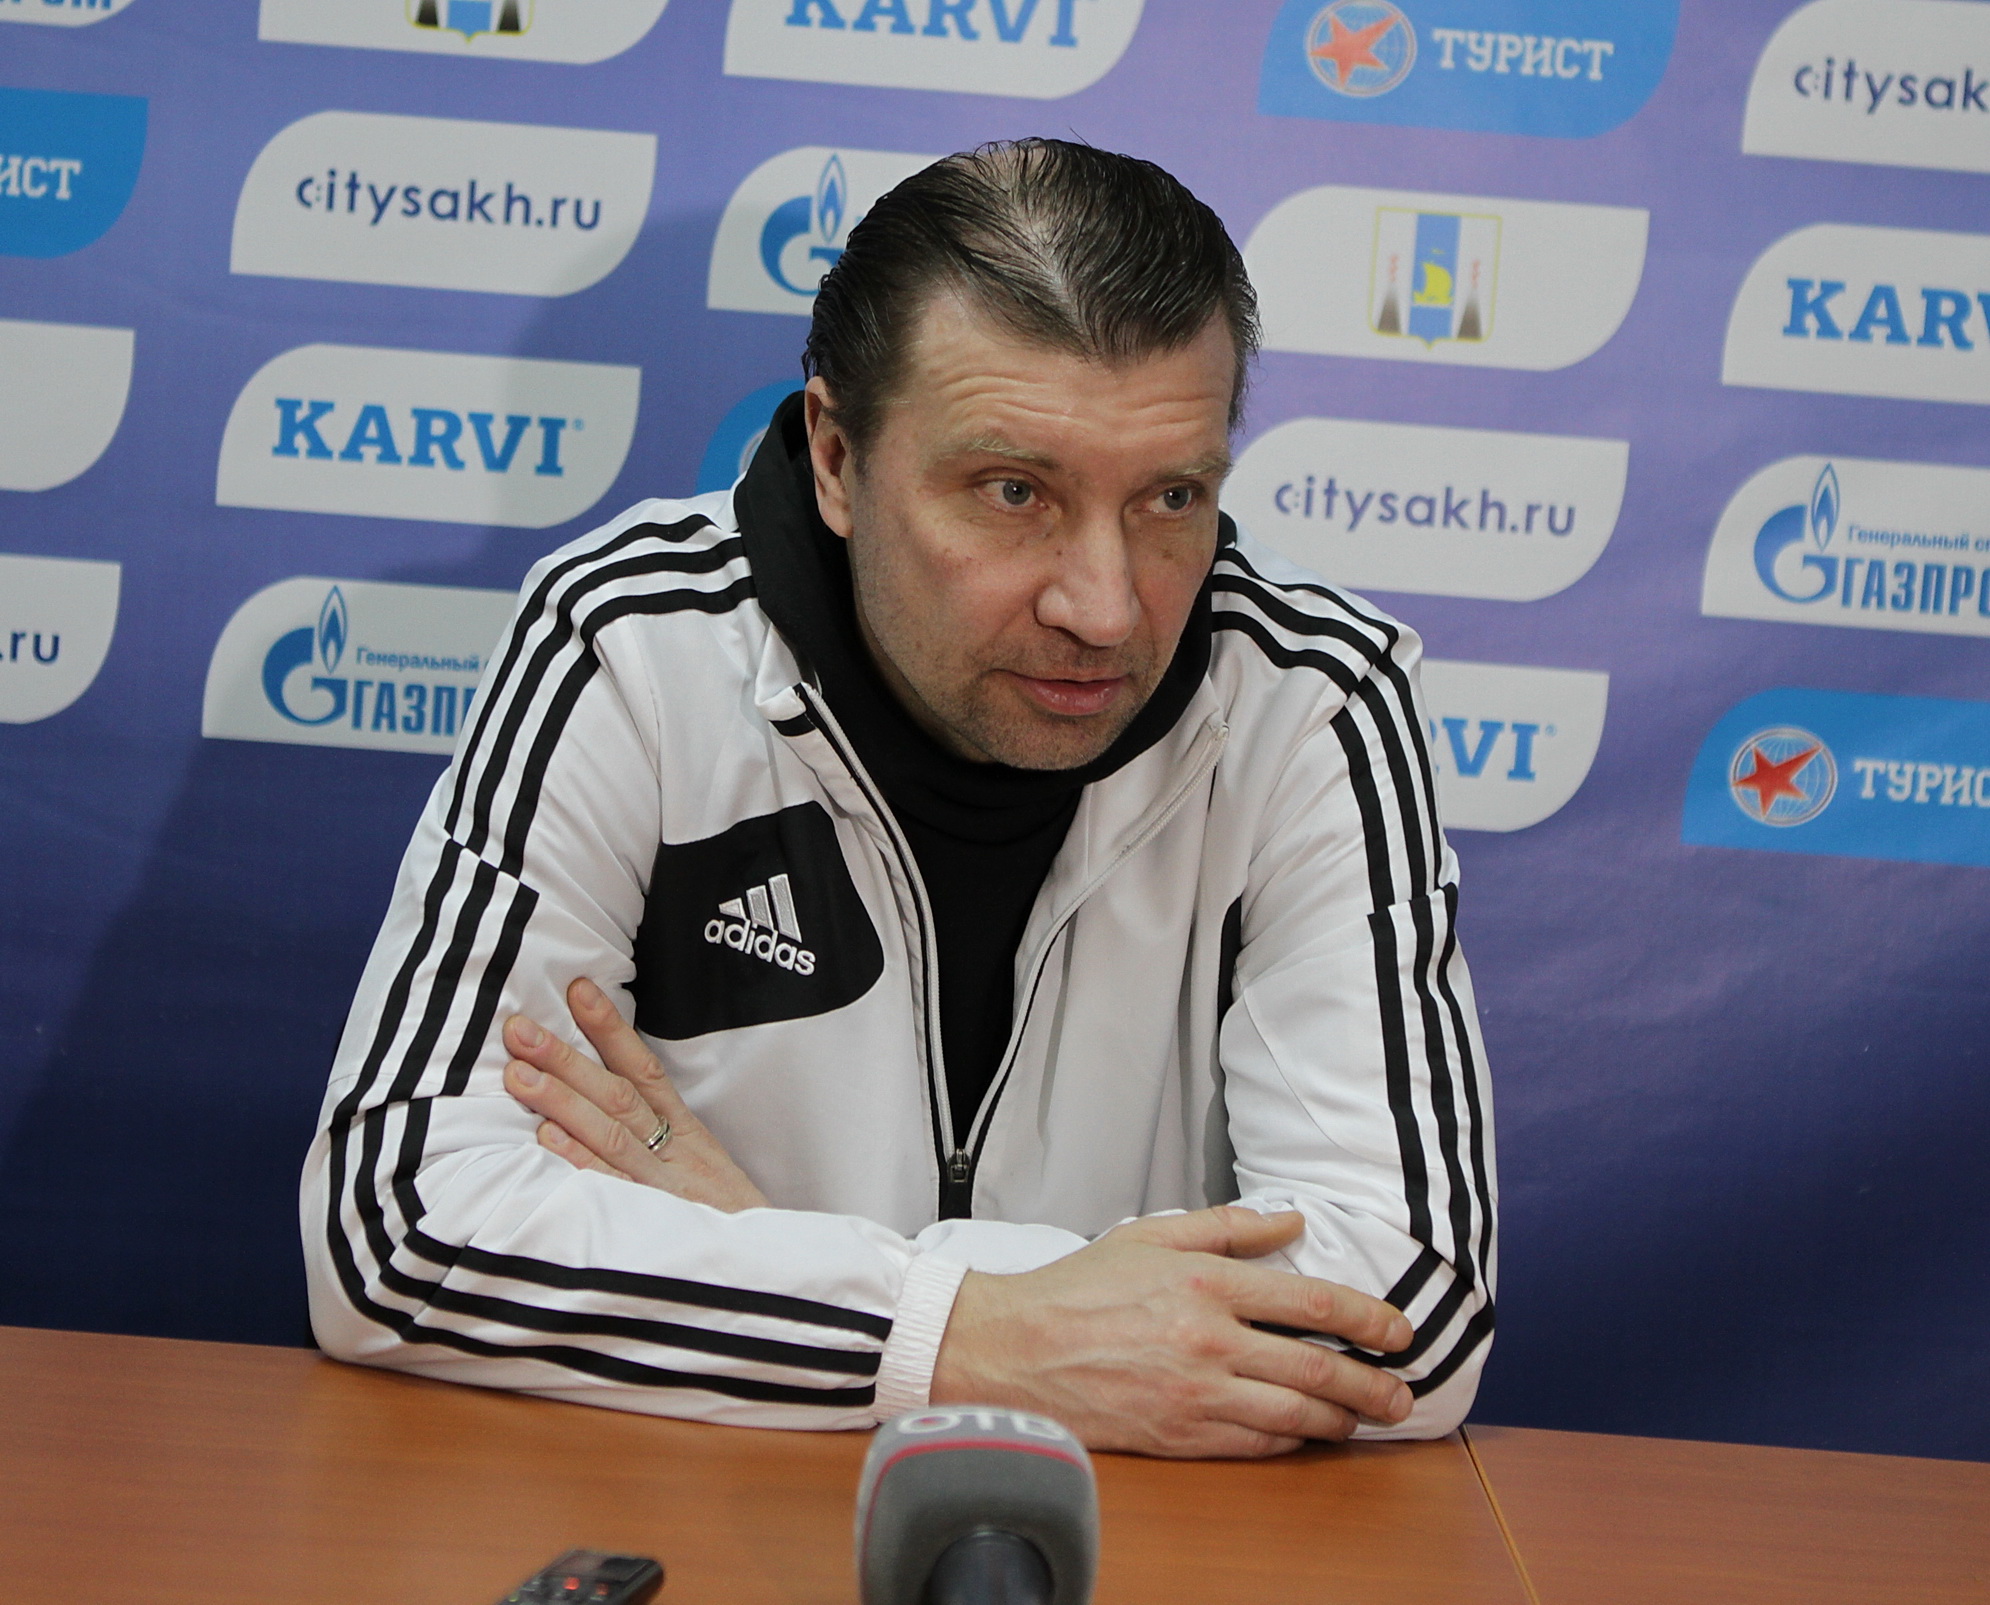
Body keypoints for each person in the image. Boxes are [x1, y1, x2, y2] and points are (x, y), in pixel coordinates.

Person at [300, 139, 1495, 1459]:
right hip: (709, 1502)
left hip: (1127, 1533)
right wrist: (970, 1334)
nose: (1104, 606)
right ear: (835, 455)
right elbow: (396, 1229)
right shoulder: (632, 644)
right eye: (1013, 492)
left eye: (1172, 497)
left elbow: (1410, 1312)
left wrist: (767, 1253)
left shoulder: (1313, 699)